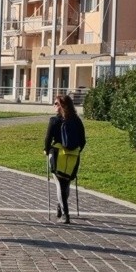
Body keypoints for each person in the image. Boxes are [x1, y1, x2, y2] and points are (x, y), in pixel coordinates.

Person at [44, 93, 86, 223]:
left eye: (56, 104)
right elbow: (83, 141)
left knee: (59, 184)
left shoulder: (54, 121)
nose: (54, 106)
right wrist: (76, 151)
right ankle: (61, 207)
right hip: (73, 156)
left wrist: (46, 150)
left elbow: (47, 139)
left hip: (57, 155)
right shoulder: (77, 121)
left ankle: (65, 214)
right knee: (66, 183)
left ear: (62, 106)